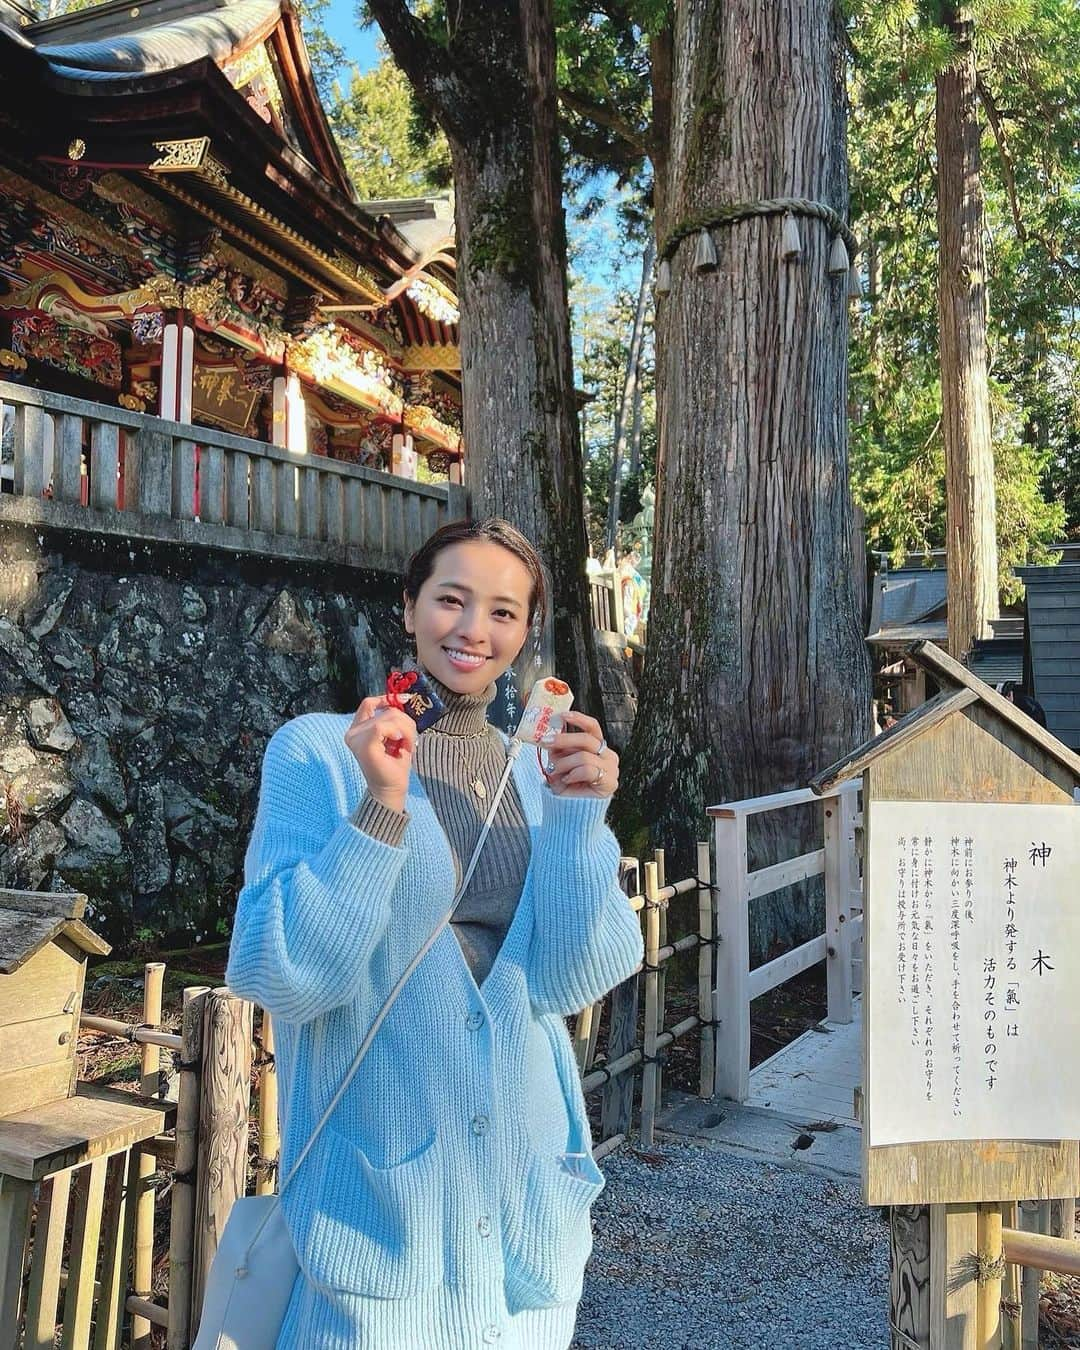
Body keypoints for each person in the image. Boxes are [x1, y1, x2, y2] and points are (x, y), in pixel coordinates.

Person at [226, 517, 644, 1350]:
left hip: (520, 1200)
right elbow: (282, 974)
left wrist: (578, 819)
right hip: (378, 1214)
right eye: (451, 600)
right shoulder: (320, 752)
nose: (474, 631)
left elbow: (571, 976)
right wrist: (380, 808)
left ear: (526, 632)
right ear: (411, 607)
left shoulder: (539, 769)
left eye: (503, 611)